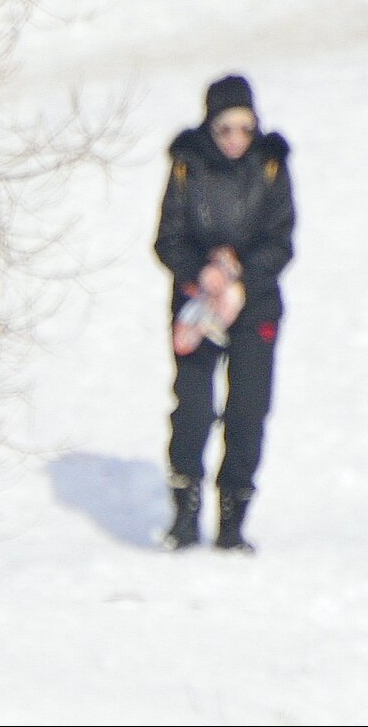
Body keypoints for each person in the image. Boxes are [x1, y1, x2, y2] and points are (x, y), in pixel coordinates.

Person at [154, 74, 295, 553]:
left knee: (248, 410)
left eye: (244, 129)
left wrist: (241, 278)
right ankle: (184, 513)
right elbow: (167, 238)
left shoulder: (272, 165)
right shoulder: (186, 164)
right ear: (209, 127)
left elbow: (281, 241)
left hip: (254, 303)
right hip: (198, 304)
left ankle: (234, 517)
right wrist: (202, 272)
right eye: (225, 130)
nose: (236, 139)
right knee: (192, 408)